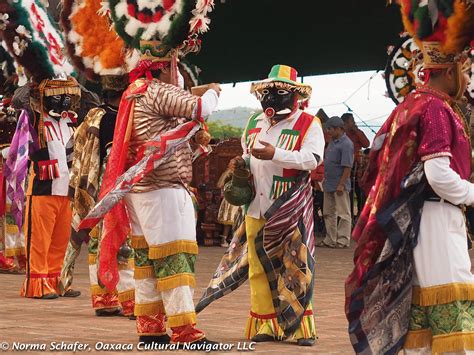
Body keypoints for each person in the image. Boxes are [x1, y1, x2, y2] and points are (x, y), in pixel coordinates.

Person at [345, 26, 474, 355]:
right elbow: (438, 174)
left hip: (416, 219)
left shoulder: (409, 105)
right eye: (465, 72)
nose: (468, 81)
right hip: (435, 217)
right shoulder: (435, 108)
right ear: (448, 71)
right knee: (450, 300)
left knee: (419, 307)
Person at [196, 64, 325, 347]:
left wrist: (274, 154)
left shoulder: (308, 123)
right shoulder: (255, 122)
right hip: (255, 207)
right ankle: (265, 323)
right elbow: (246, 152)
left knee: (296, 265)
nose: (271, 96)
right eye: (266, 91)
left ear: (294, 95)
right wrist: (240, 163)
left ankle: (300, 328)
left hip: (289, 208)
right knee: (257, 269)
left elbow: (311, 159)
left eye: (279, 91)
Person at [68, 75, 135, 316]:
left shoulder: (94, 114)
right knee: (122, 242)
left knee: (99, 242)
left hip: (94, 188)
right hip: (116, 187)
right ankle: (130, 300)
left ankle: (104, 299)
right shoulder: (117, 117)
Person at [18, 76, 81, 299]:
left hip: (67, 189)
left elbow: (91, 101)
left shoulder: (70, 120)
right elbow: (18, 101)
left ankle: (56, 281)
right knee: (39, 240)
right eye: (57, 95)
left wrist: (74, 83)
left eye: (67, 95)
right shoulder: (34, 118)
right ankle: (37, 284)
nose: (63, 100)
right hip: (42, 189)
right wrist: (34, 83)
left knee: (60, 240)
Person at [0, 77, 26, 273]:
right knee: (14, 212)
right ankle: (15, 256)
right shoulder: (22, 115)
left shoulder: (21, 114)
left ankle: (11, 255)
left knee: (10, 213)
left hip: (12, 168)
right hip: (15, 169)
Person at [318, 116, 354, 248]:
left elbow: (347, 166)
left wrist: (341, 184)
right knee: (328, 212)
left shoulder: (346, 144)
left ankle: (343, 240)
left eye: (330, 129)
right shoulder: (332, 142)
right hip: (329, 182)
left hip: (339, 184)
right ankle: (330, 239)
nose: (328, 131)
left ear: (339, 128)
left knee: (343, 213)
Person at [341, 113, 369, 219]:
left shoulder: (357, 133)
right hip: (344, 167)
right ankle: (349, 217)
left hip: (358, 168)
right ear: (345, 123)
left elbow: (366, 144)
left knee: (359, 191)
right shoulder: (341, 134)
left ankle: (360, 216)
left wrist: (356, 131)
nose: (354, 123)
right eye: (352, 121)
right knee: (347, 193)